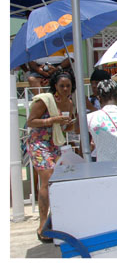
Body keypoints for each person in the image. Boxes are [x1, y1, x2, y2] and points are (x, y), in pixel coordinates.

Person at [26, 69, 75, 243]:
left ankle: (54, 220)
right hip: (39, 142)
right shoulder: (44, 100)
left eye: (68, 86)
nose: (65, 89)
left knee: (58, 180)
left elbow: (66, 128)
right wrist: (51, 120)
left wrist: (68, 125)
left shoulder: (69, 104)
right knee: (46, 179)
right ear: (55, 85)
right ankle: (42, 226)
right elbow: (30, 121)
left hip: (54, 144)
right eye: (62, 85)